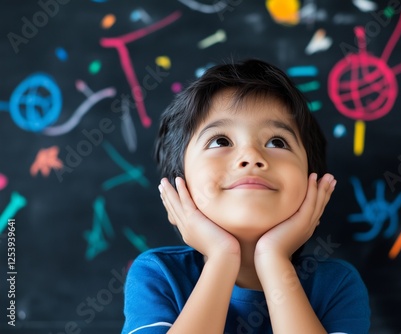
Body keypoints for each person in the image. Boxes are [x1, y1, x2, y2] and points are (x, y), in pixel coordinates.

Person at [121, 59, 370, 334]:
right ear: (178, 192)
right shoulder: (158, 275)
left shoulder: (336, 285)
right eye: (220, 141)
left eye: (277, 142)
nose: (251, 157)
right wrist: (221, 257)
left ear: (314, 187)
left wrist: (273, 257)